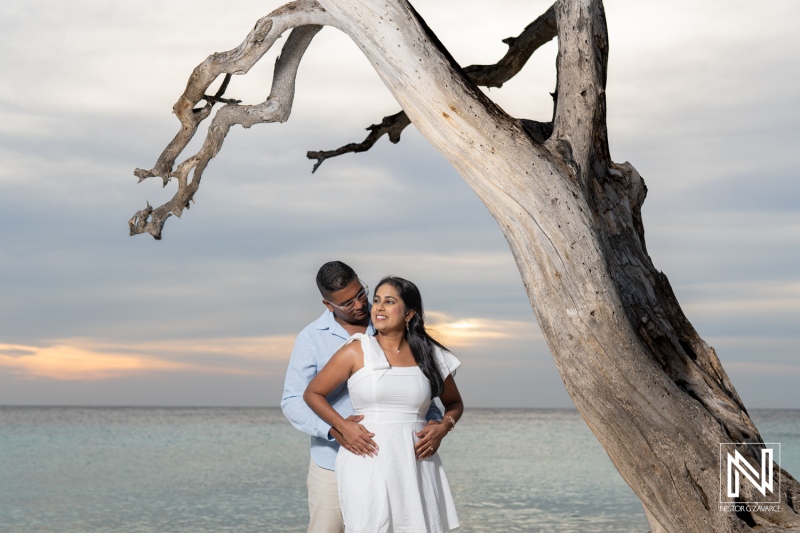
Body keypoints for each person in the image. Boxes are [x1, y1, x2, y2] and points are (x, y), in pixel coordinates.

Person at [281, 262, 443, 533]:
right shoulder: (311, 338)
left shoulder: (388, 323)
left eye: (361, 294)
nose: (359, 305)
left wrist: (436, 423)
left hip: (394, 465)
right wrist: (336, 429)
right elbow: (293, 400)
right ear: (327, 304)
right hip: (331, 463)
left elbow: (416, 387)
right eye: (346, 303)